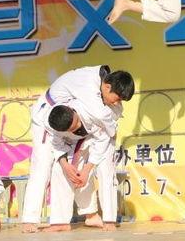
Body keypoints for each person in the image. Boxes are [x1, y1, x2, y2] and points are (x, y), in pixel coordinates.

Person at [21, 66, 134, 233]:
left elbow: (105, 125)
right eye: (117, 99)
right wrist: (64, 163)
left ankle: (97, 216)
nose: (118, 103)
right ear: (107, 86)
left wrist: (110, 131)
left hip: (81, 126)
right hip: (52, 117)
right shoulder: (88, 86)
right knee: (46, 168)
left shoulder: (100, 96)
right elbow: (100, 116)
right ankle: (32, 219)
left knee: (96, 170)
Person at [43, 104, 118, 232]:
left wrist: (86, 169)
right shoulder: (51, 126)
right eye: (73, 128)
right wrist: (65, 165)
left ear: (73, 110)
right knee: (59, 170)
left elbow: (102, 141)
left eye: (77, 121)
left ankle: (109, 220)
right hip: (74, 143)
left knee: (105, 170)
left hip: (102, 139)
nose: (78, 126)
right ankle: (61, 221)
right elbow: (56, 144)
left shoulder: (93, 110)